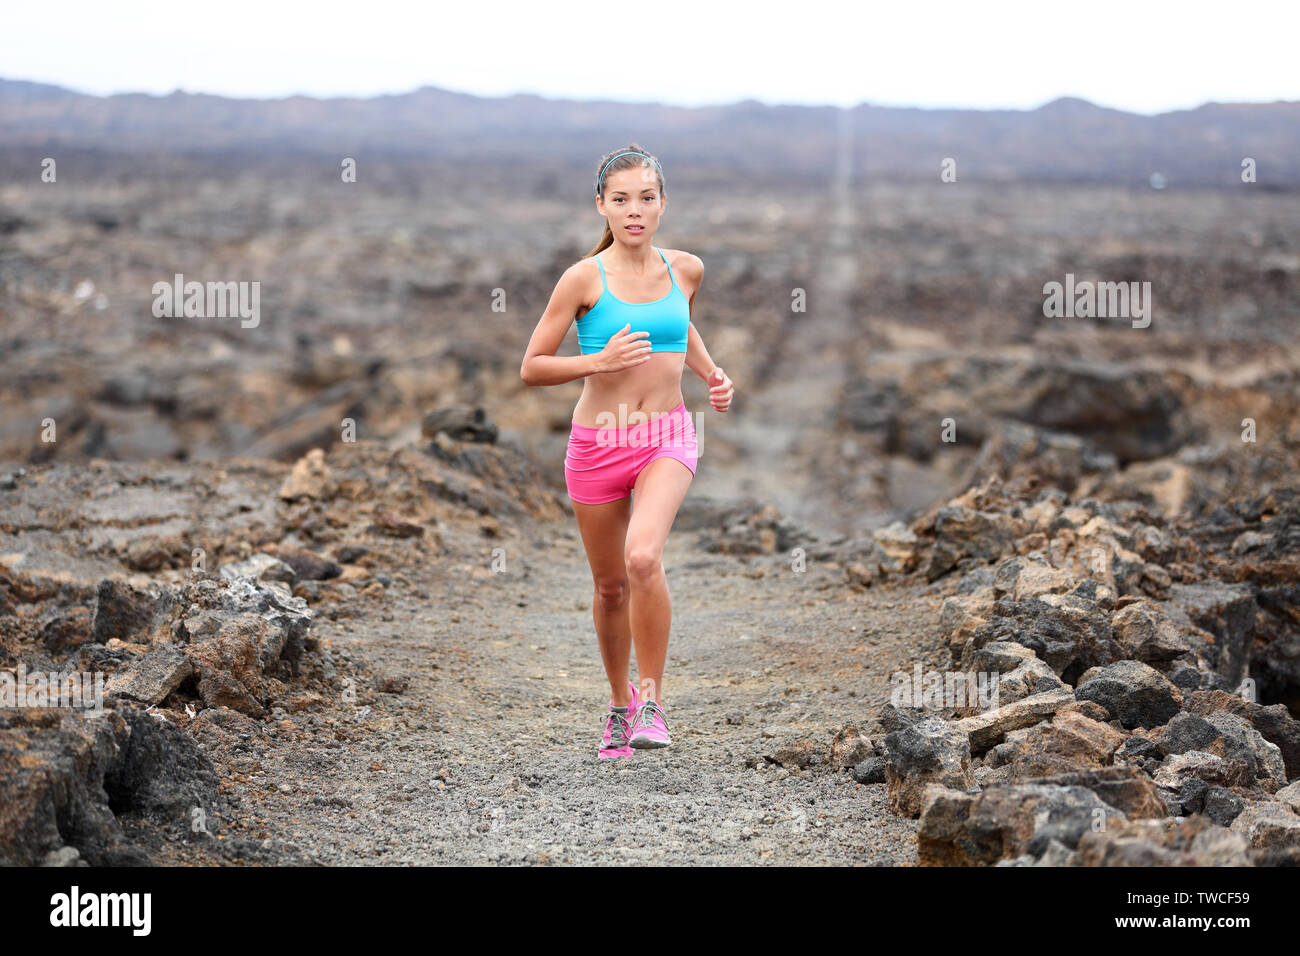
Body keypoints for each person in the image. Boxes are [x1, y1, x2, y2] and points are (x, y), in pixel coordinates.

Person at [520, 144, 734, 758]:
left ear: (662, 204)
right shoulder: (582, 279)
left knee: (644, 558)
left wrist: (713, 374)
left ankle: (652, 703)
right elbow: (532, 367)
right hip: (598, 443)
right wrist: (599, 361)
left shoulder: (686, 269)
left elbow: (679, 325)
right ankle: (619, 706)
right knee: (611, 586)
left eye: (646, 198)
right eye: (621, 200)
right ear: (602, 207)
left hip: (665, 433)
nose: (634, 211)